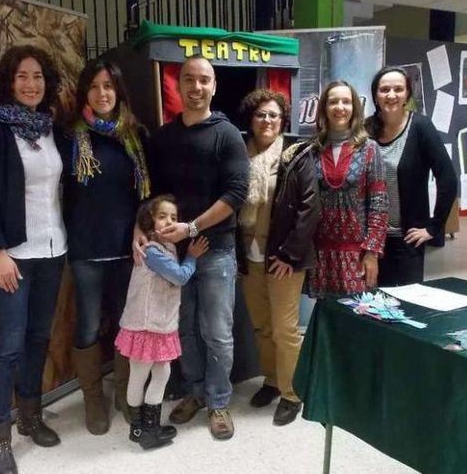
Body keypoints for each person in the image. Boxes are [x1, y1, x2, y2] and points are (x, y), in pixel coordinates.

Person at [0, 45, 67, 474]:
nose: (31, 84)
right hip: (13, 255)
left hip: (53, 248)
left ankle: (30, 415)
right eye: (23, 76)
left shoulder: (49, 128)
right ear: (9, 80)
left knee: (38, 338)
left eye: (38, 77)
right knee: (8, 346)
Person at [140, 55, 249, 440]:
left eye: (204, 80)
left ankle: (218, 401)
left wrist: (192, 227)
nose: (196, 87)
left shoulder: (228, 135)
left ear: (213, 87)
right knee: (182, 327)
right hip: (173, 255)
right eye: (189, 79)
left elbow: (236, 193)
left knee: (217, 330)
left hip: (215, 248)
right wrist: (149, 231)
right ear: (178, 84)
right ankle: (195, 391)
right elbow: (153, 195)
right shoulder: (164, 137)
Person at [64, 59, 151, 435]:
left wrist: (139, 228)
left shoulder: (134, 136)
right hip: (86, 250)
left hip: (126, 250)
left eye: (109, 87)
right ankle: (93, 401)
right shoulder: (69, 137)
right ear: (86, 91)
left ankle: (124, 395)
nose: (103, 94)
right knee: (86, 327)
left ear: (119, 92)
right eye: (96, 86)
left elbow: (144, 197)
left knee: (124, 325)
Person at [236, 89, 319, 425]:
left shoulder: (297, 155)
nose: (266, 121)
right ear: (251, 120)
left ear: (282, 119)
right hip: (249, 257)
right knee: (262, 326)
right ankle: (271, 380)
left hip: (283, 258)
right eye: (260, 115)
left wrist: (290, 254)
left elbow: (309, 208)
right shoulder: (239, 154)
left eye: (273, 115)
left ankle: (291, 392)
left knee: (285, 329)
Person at [116, 195, 209, 449]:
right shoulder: (153, 250)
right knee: (139, 374)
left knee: (162, 373)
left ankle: (150, 427)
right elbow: (179, 277)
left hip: (160, 324)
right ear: (149, 221)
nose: (169, 221)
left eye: (174, 218)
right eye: (162, 216)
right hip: (145, 325)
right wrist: (192, 256)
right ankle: (138, 429)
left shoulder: (165, 247)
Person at [365, 67, 457, 287]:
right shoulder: (366, 129)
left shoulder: (420, 127)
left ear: (407, 94)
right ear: (375, 95)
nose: (391, 95)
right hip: (370, 238)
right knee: (370, 305)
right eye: (384, 89)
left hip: (407, 239)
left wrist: (434, 227)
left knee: (406, 306)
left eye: (398, 89)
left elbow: (448, 179)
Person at [306, 80, 388, 298]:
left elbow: (379, 205)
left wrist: (372, 251)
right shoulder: (312, 149)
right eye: (333, 102)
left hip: (357, 253)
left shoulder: (369, 149)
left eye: (346, 102)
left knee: (357, 317)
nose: (340, 107)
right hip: (320, 251)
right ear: (324, 108)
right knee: (327, 316)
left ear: (355, 108)